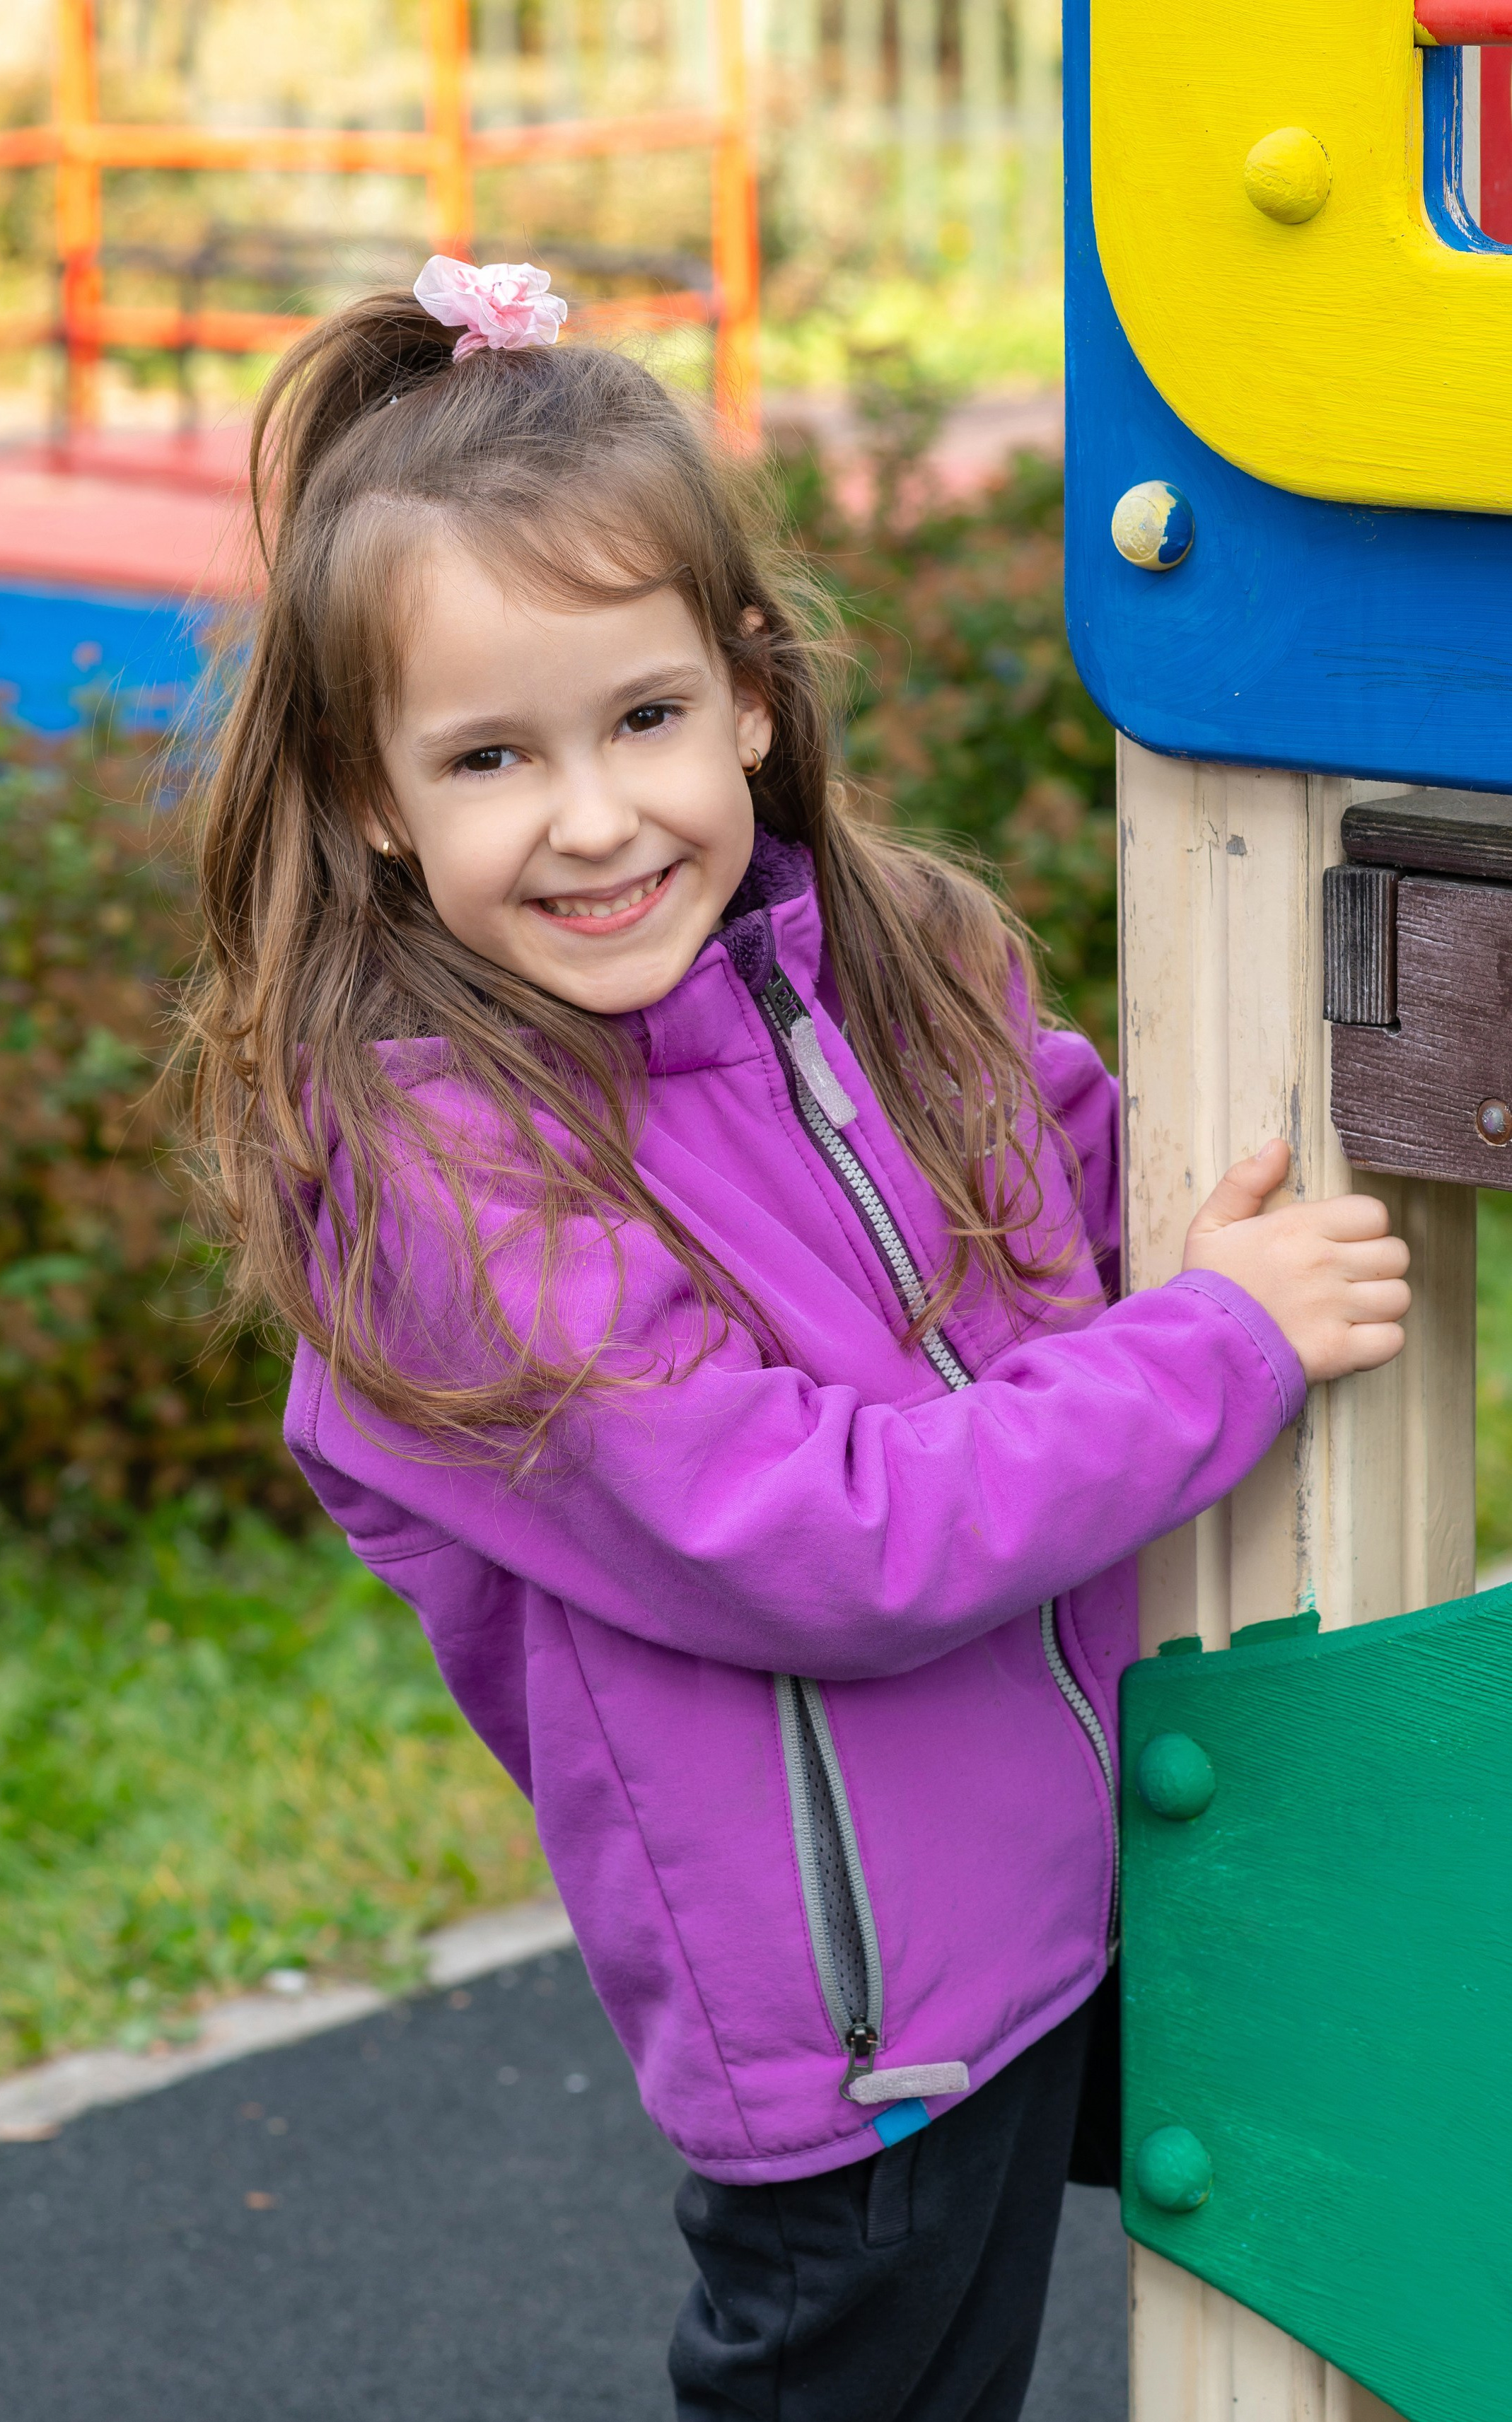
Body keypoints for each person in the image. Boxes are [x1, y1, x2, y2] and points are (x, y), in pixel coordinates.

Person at [185, 258, 1412, 2421]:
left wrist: (1179, 1267)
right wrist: (1219, 1346)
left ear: (747, 692)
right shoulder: (445, 1187)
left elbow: (1071, 1228)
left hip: (1111, 1847)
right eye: (490, 756)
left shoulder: (885, 957)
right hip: (880, 2025)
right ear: (373, 799)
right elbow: (823, 1540)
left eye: (640, 718)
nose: (592, 816)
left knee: (1389, 2165)